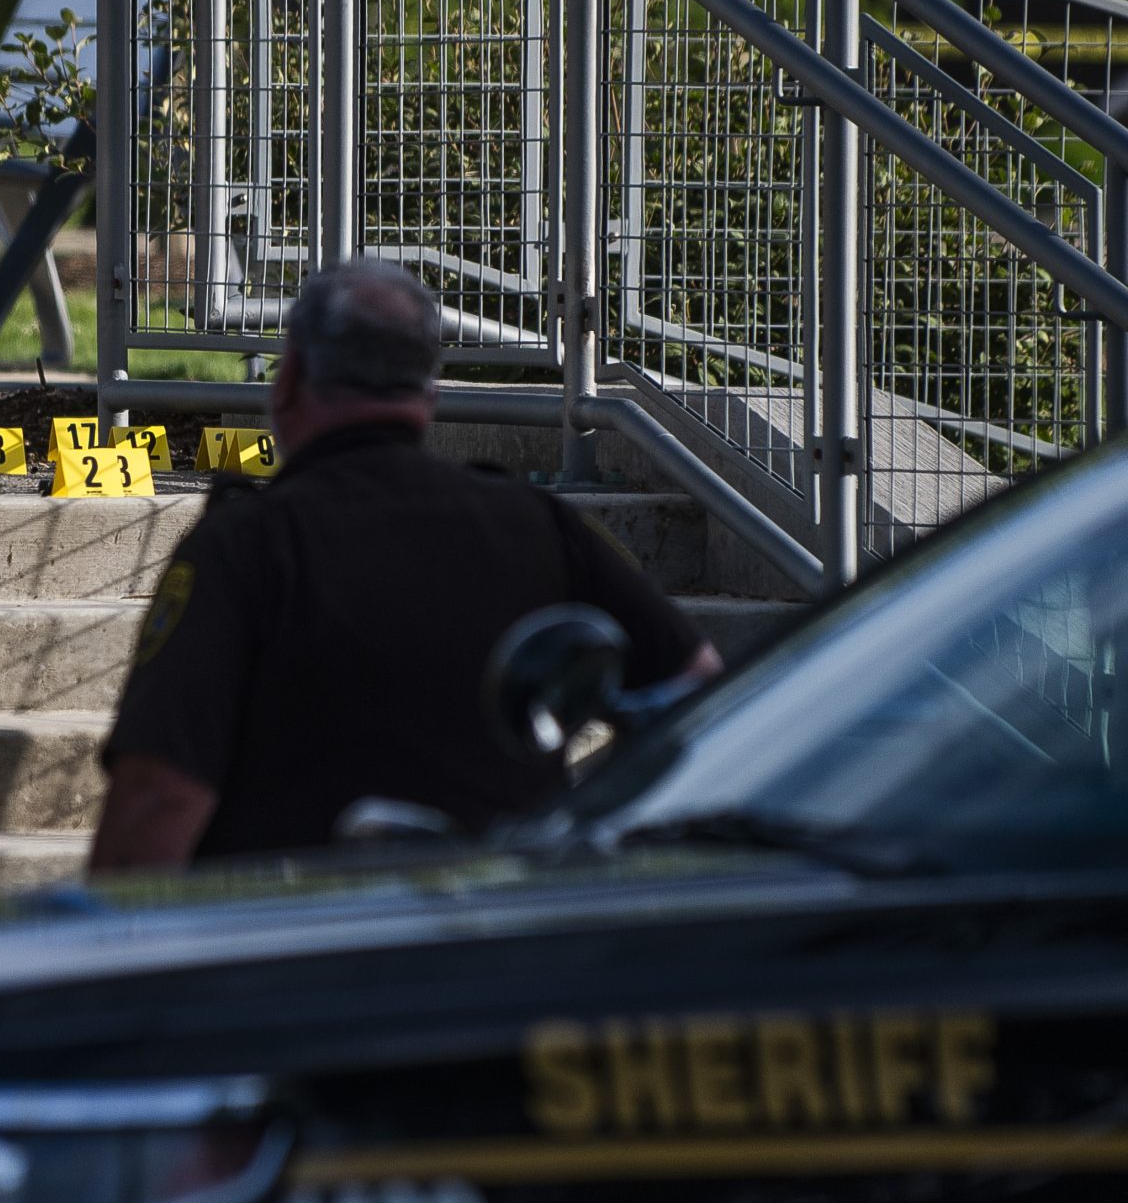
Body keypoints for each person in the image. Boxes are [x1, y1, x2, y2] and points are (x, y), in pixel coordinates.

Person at [90, 257, 721, 872]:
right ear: (429, 394)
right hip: (492, 947)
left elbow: (158, 799)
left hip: (290, 948)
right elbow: (698, 688)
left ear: (288, 384)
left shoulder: (248, 544)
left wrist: (102, 953)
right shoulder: (537, 524)